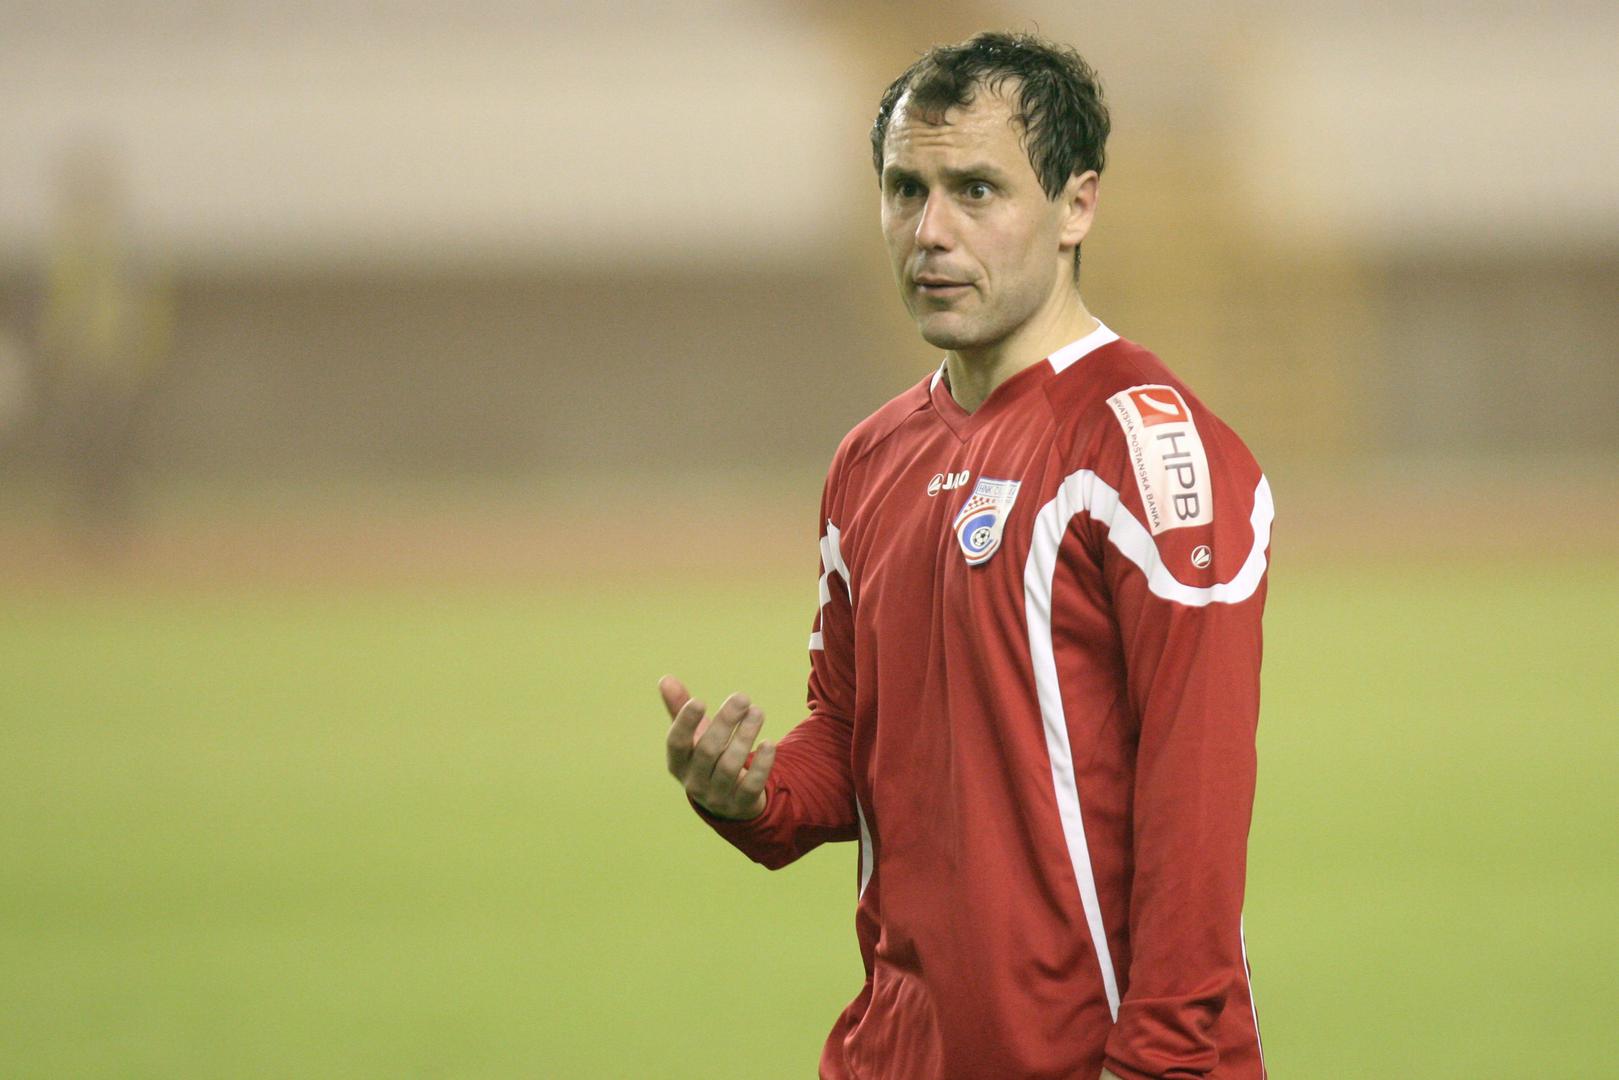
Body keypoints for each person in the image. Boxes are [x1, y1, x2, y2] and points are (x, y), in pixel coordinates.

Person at [659, 30, 1271, 1080]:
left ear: (1076, 206)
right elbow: (850, 736)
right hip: (898, 1052)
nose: (929, 232)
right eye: (905, 190)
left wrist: (1158, 1061)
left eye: (975, 191)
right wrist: (754, 794)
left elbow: (1198, 793)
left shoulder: (1144, 448)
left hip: (1100, 1059)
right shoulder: (870, 459)